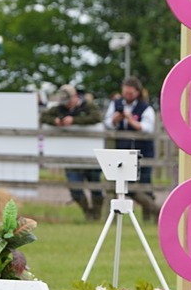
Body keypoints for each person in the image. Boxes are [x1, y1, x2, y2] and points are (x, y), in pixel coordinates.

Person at [41, 84, 104, 219]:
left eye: (68, 101)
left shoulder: (88, 106)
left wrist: (74, 120)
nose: (67, 105)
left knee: (96, 187)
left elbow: (97, 118)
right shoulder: (59, 108)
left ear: (75, 97)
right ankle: (88, 213)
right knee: (74, 187)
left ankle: (97, 216)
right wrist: (55, 120)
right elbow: (44, 117)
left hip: (91, 154)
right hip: (71, 154)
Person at [104, 76, 158, 221]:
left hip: (143, 151)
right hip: (122, 151)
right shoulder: (115, 104)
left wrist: (130, 120)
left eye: (130, 93)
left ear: (137, 92)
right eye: (125, 92)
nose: (127, 96)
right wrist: (116, 119)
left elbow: (147, 128)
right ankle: (154, 210)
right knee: (125, 185)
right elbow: (108, 123)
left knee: (145, 184)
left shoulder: (145, 108)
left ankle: (150, 216)